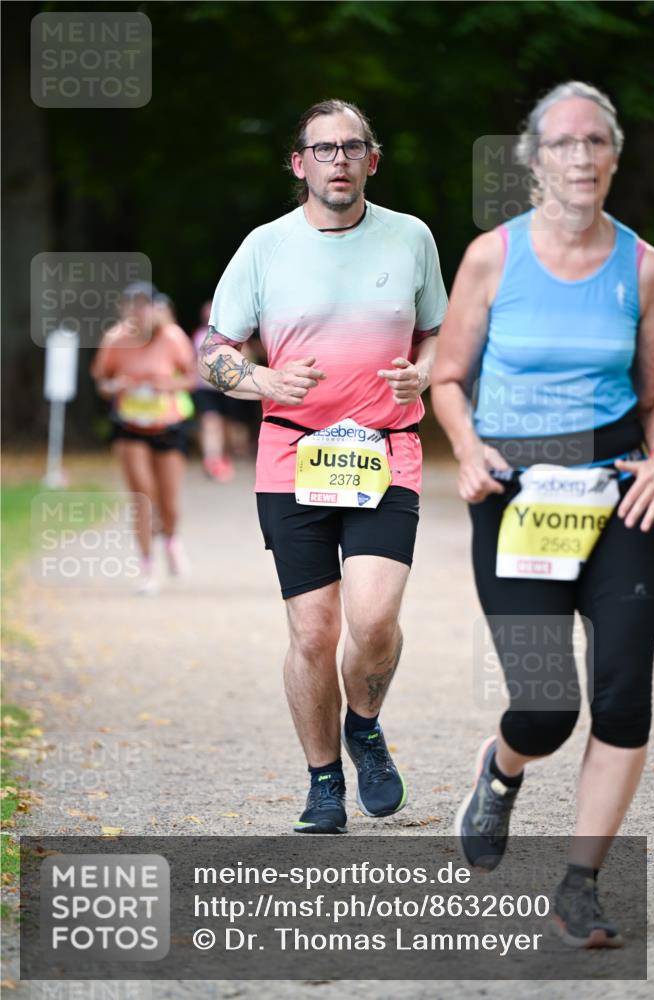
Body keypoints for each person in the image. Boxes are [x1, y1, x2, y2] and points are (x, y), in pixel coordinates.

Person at [431, 81, 654, 947]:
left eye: (594, 141)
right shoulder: (490, 257)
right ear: (534, 160)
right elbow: (445, 377)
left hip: (617, 491)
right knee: (544, 710)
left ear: (613, 156)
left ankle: (580, 886)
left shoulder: (644, 267)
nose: (579, 156)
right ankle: (499, 772)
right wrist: (466, 449)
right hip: (515, 493)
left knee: (623, 699)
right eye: (562, 143)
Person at [199, 99, 447, 834]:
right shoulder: (265, 247)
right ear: (298, 163)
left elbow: (441, 335)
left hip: (384, 449)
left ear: (372, 160)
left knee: (373, 620)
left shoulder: (411, 237)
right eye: (323, 148)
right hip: (292, 455)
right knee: (312, 633)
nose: (338, 159)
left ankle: (362, 725)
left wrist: (425, 374)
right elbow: (213, 351)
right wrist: (263, 381)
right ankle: (323, 781)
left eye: (351, 147)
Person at [91, 282, 197, 594]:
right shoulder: (115, 339)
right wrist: (115, 387)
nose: (138, 312)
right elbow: (101, 381)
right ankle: (148, 569)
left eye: (144, 305)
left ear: (155, 308)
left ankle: (171, 539)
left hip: (168, 426)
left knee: (169, 503)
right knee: (142, 497)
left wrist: (168, 386)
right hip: (130, 426)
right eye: (132, 305)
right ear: (123, 309)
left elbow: (192, 378)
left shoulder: (172, 337)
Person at [191, 301, 261, 482]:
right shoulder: (199, 335)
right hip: (205, 388)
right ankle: (212, 460)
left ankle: (225, 458)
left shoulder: (236, 335)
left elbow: (248, 359)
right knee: (210, 422)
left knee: (228, 426)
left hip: (229, 387)